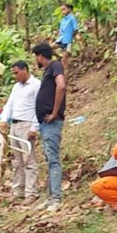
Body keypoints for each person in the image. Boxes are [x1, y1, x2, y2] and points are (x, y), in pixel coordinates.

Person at [0, 61, 42, 206]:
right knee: (17, 161)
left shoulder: (36, 85)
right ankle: (18, 191)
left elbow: (39, 107)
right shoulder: (16, 87)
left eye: (17, 73)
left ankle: (31, 192)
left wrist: (34, 127)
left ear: (25, 70)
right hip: (15, 124)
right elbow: (9, 104)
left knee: (29, 160)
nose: (15, 76)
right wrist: (4, 119)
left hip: (26, 124)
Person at [33, 43, 66, 211]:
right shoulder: (49, 70)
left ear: (40, 56)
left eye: (36, 57)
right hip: (45, 122)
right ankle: (51, 196)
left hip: (51, 121)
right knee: (49, 158)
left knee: (53, 159)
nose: (35, 60)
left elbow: (61, 86)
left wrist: (54, 113)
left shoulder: (55, 65)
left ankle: (56, 199)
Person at [53, 3, 79, 70]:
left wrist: (71, 38)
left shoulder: (72, 18)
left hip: (68, 40)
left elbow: (75, 29)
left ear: (69, 9)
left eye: (64, 9)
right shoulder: (63, 20)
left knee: (64, 60)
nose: (63, 11)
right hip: (61, 39)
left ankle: (65, 74)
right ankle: (58, 57)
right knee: (49, 48)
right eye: (62, 10)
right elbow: (60, 30)